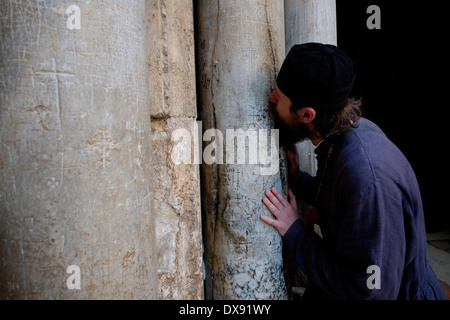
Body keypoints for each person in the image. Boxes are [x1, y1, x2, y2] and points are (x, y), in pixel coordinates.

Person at [259, 42, 447, 300]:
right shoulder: (351, 133)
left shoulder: (369, 181)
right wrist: (299, 181)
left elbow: (367, 290)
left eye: (279, 97)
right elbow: (344, 199)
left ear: (306, 115)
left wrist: (295, 231)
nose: (271, 98)